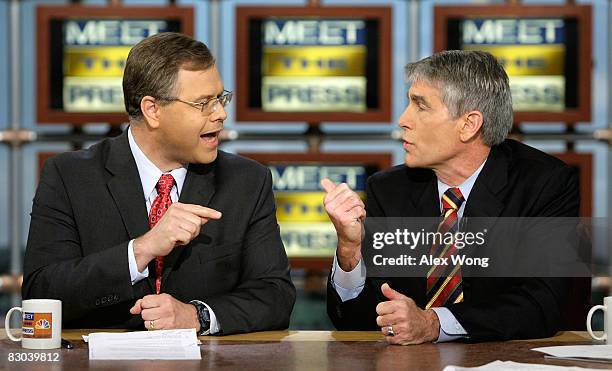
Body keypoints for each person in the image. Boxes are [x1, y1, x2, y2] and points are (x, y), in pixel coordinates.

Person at [23, 32, 295, 335]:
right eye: (204, 103)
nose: (221, 114)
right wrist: (141, 249)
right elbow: (41, 294)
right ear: (153, 109)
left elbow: (275, 295)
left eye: (220, 98)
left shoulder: (247, 181)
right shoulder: (69, 176)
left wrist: (197, 316)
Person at [322, 50, 583, 344]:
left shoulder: (544, 183)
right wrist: (349, 250)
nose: (403, 120)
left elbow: (542, 304)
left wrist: (434, 323)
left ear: (469, 124)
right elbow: (357, 321)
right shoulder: (389, 189)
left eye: (420, 106)